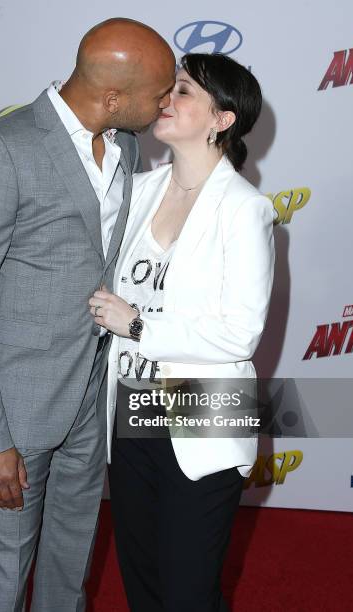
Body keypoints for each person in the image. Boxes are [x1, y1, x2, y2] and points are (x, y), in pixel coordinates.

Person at [0, 18, 175, 612]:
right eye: (159, 93)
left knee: (70, 569)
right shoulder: (0, 149)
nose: (166, 103)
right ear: (113, 96)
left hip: (89, 405)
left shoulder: (126, 145)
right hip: (13, 413)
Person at [89, 53, 275, 611]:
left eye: (185, 92)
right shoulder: (135, 191)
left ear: (223, 119)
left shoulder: (245, 209)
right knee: (142, 580)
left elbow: (239, 334)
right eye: (169, 89)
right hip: (131, 405)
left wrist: (139, 324)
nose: (165, 100)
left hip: (209, 406)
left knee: (189, 590)